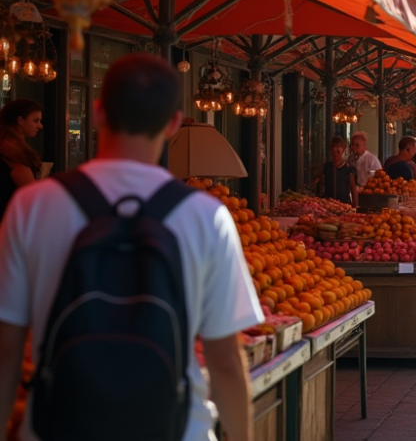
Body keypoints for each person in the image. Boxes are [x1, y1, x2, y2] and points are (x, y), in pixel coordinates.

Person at [0, 53, 263, 441]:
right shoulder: (206, 215)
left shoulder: (33, 206)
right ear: (174, 124)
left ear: (98, 112)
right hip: (175, 428)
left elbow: (7, 348)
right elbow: (224, 360)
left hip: (58, 426)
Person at [0, 99, 43, 218]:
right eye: (36, 120)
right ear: (20, 120)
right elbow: (31, 193)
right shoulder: (13, 152)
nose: (40, 126)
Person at [323, 136, 359, 207]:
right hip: (328, 207)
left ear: (343, 149)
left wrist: (355, 206)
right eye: (334, 146)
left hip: (345, 206)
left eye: (339, 146)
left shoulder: (349, 169)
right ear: (331, 149)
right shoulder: (326, 167)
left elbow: (353, 189)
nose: (336, 149)